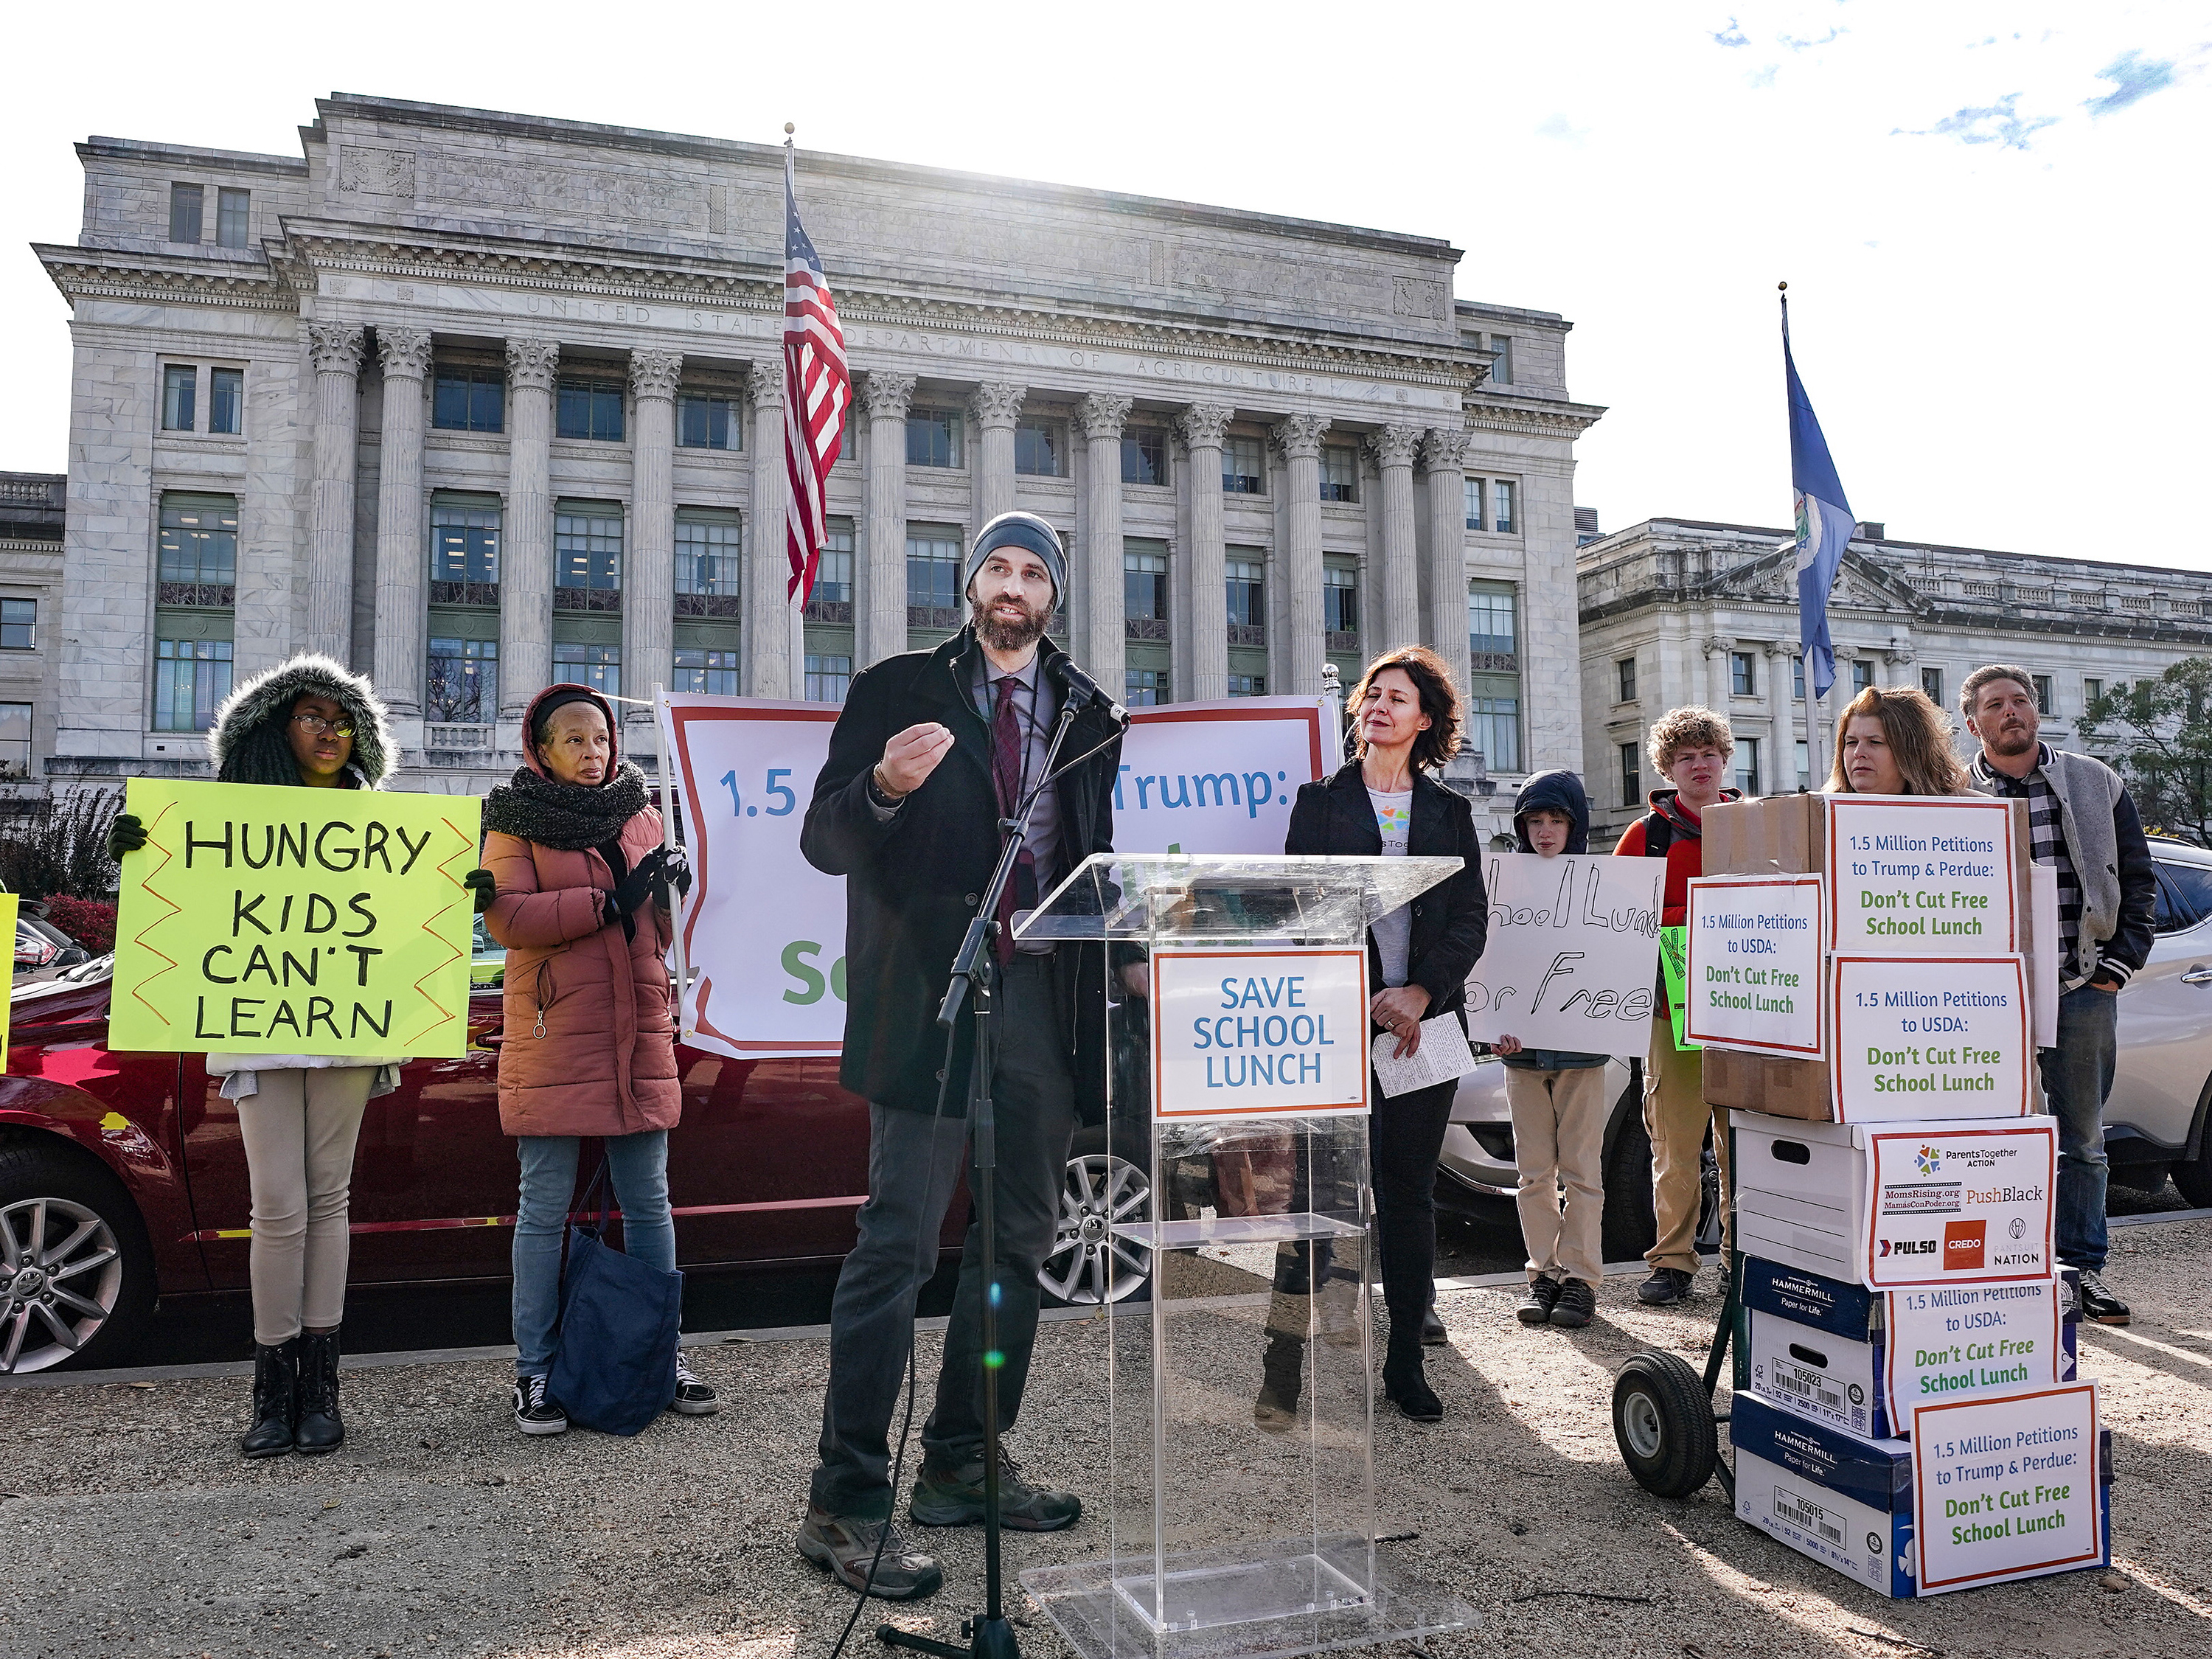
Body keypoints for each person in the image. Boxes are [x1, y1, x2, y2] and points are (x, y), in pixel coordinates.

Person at [794, 512, 1124, 1602]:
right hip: (929, 996)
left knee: (1019, 1237)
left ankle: (964, 1457)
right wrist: (883, 785)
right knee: (896, 1243)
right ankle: (844, 1499)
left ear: (1053, 595)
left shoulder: (1089, 713)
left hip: (1040, 995)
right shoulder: (896, 688)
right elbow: (825, 839)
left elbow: (1091, 858)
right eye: (999, 567)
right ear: (970, 583)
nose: (1015, 586)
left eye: (1035, 572)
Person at [106, 654, 404, 1458]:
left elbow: (408, 915)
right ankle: (273, 1387)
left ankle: (321, 1383)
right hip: (260, 1018)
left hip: (344, 1021)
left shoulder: (383, 824)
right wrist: (134, 858)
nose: (332, 733)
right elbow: (177, 909)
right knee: (276, 1204)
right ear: (274, 729)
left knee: (327, 1197)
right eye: (313, 717)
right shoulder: (226, 817)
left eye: (344, 721)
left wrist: (458, 893)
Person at [478, 684, 716, 1435]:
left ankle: (659, 1352)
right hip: (555, 1035)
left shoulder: (644, 816)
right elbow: (506, 918)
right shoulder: (512, 821)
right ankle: (535, 1370)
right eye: (575, 740)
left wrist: (675, 894)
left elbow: (669, 938)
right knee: (543, 1208)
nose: (594, 752)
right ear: (540, 751)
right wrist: (609, 903)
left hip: (639, 1028)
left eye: (602, 739)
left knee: (650, 1201)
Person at [1284, 646, 1489, 1420]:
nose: (1379, 705)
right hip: (1339, 1026)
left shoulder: (1451, 814)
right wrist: (1372, 994)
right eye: (1373, 694)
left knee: (1406, 1196)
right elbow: (1305, 907)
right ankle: (1290, 1361)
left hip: (1423, 1030)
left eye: (1397, 698)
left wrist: (1420, 992)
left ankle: (1406, 1359)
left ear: (1425, 719)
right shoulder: (1319, 802)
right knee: (1321, 1190)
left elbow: (1471, 919)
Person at [1962, 665, 2154, 1327]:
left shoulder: (2093, 780)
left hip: (2080, 985)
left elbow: (2138, 876)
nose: (2011, 712)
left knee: (2083, 1140)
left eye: (2021, 701)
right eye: (1996, 705)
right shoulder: (1954, 793)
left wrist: (2120, 964)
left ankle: (2080, 1272)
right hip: (1988, 997)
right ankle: (2002, 1272)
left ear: (2036, 711)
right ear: (1973, 723)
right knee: (1988, 1137)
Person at [1613, 706, 1740, 1307]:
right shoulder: (1645, 836)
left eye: (1708, 753)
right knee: (1675, 1144)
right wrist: (1690, 922)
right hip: (1672, 1012)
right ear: (1668, 767)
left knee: (1745, 1145)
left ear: (1724, 760)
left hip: (1751, 1015)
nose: (1699, 764)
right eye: (1686, 756)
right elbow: (1614, 919)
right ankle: (1673, 1261)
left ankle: (1746, 1259)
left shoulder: (1755, 826)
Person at [1489, 771, 1608, 1332]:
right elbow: (1489, 962)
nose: (1544, 832)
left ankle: (1582, 1280)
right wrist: (1492, 1022)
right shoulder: (1503, 886)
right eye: (1534, 821)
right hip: (1522, 1055)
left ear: (1574, 825)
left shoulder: (1607, 886)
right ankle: (1542, 1273)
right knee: (1533, 1172)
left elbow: (1619, 965)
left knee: (1583, 1171)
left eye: (1556, 821)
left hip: (1582, 1054)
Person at [1823, 684, 1973, 796]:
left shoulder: (1971, 810)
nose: (1858, 753)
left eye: (1875, 742)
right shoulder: (1816, 816)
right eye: (1851, 742)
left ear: (1912, 751)